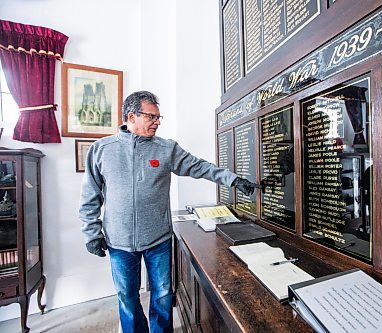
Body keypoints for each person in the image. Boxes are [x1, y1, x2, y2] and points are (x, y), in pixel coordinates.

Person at [78, 91, 258, 333]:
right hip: (118, 243)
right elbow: (90, 197)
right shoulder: (101, 150)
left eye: (159, 117)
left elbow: (199, 166)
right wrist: (92, 234)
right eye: (152, 116)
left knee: (162, 296)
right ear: (131, 116)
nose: (157, 122)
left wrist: (233, 180)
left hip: (159, 240)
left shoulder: (166, 149)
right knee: (127, 298)